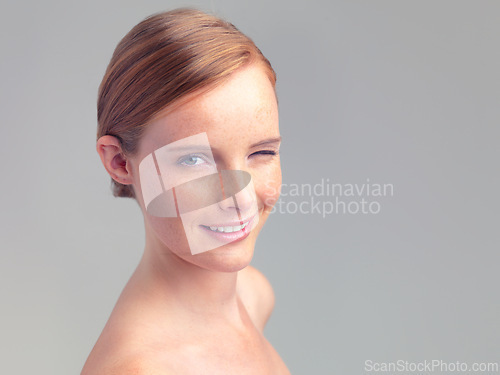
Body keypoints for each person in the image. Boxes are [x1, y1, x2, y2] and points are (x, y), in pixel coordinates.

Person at [81, 8, 290, 374]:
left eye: (261, 152)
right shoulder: (141, 368)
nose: (241, 199)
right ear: (120, 162)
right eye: (195, 160)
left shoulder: (253, 295)